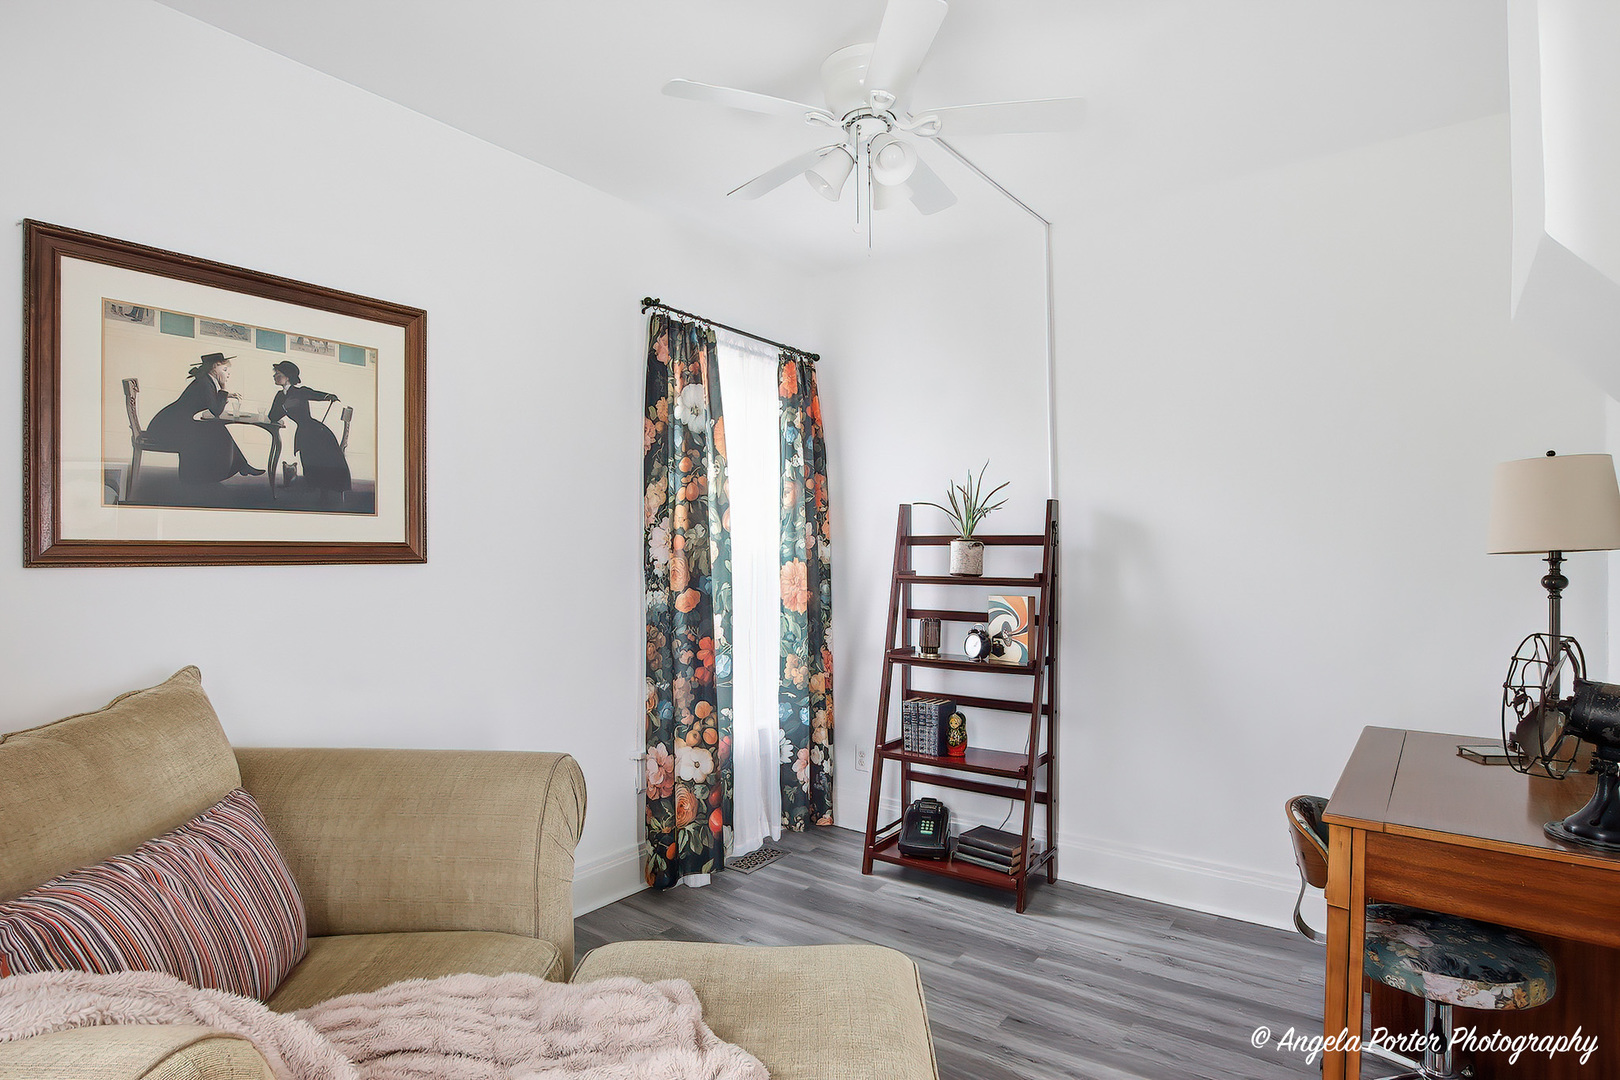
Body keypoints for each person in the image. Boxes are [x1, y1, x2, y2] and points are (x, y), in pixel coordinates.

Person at [144, 353, 263, 482]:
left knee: (217, 429)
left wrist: (226, 394)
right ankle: (233, 468)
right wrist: (224, 388)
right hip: (167, 429)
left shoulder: (205, 381)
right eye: (224, 370)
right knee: (218, 430)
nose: (228, 374)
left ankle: (237, 466)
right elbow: (216, 410)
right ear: (214, 368)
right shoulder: (205, 383)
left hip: (172, 424)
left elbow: (210, 401)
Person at [269, 361, 350, 495]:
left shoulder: (300, 392)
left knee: (316, 459)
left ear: (287, 377)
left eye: (278, 374)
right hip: (304, 431)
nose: (274, 376)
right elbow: (272, 416)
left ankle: (325, 489)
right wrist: (284, 407)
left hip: (316, 431)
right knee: (308, 459)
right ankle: (315, 487)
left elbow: (316, 395)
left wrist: (329, 397)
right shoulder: (280, 396)